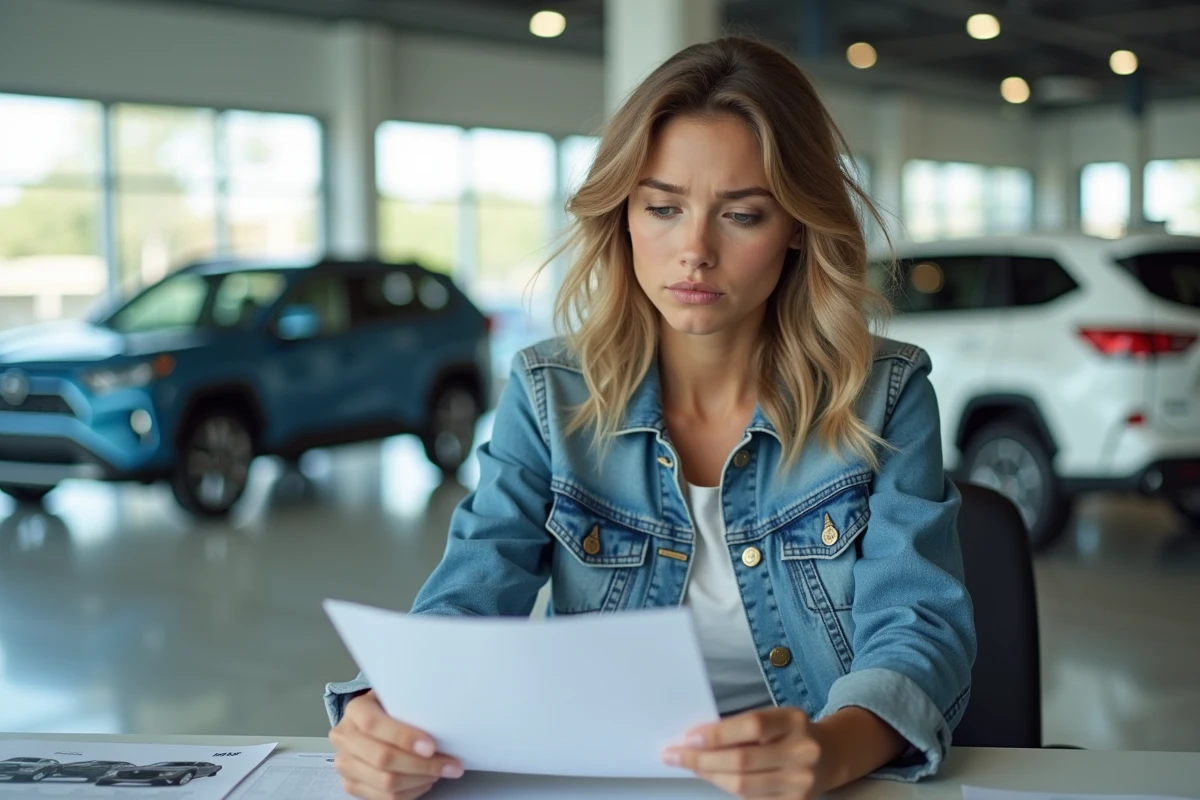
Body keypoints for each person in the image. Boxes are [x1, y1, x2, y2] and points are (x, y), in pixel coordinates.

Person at [325, 36, 976, 800]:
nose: (693, 250)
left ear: (797, 227)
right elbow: (468, 595)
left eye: (741, 214)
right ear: (624, 217)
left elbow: (918, 624)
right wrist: (382, 710)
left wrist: (832, 750)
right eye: (663, 208)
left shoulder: (885, 394)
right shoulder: (547, 396)